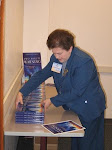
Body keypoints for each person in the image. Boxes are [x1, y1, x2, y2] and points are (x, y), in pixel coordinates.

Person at [16, 29, 106, 150]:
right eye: (54, 53)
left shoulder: (83, 62)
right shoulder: (56, 59)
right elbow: (42, 74)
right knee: (77, 141)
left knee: (88, 143)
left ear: (70, 48)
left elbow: (77, 91)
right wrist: (22, 91)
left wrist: (52, 100)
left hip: (89, 107)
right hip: (75, 106)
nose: (57, 57)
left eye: (60, 53)